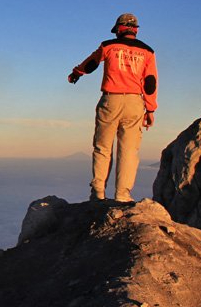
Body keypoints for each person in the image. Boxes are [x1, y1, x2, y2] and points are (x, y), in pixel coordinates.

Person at [67, 13, 158, 203]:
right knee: (129, 151)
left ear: (119, 29)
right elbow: (150, 83)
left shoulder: (108, 46)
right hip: (135, 103)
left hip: (111, 101)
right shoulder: (148, 52)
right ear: (135, 30)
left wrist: (77, 72)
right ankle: (123, 195)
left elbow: (91, 63)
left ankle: (98, 192)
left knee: (103, 147)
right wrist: (150, 110)